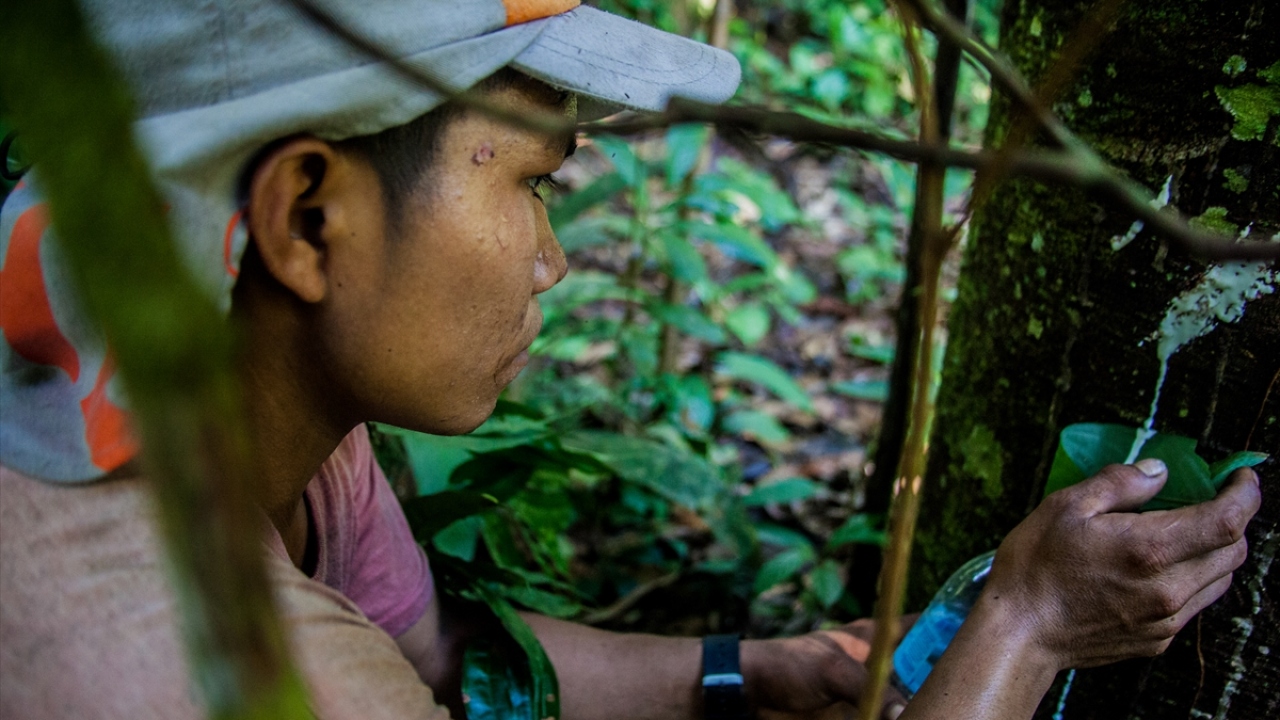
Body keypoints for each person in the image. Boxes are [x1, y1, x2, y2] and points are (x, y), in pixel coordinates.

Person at [0, 1, 1261, 719]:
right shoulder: (211, 676)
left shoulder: (220, 400)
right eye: (536, 184)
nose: (551, 261)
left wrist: (747, 671)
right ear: (307, 219)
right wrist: (1024, 629)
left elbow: (434, 651)